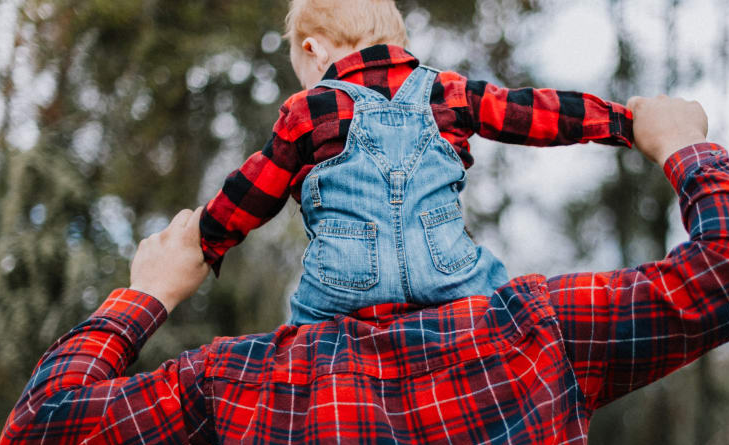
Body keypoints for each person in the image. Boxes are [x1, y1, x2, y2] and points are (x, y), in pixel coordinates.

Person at [0, 96, 729, 445]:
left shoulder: (242, 385)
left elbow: (43, 429)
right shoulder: (540, 332)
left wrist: (148, 294)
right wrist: (675, 144)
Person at [200, 0, 636, 324]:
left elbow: (252, 192)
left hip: (339, 293)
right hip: (453, 281)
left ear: (315, 51)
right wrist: (620, 121)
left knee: (296, 355)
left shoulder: (307, 111)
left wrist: (206, 239)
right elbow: (533, 113)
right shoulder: (446, 92)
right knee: (515, 317)